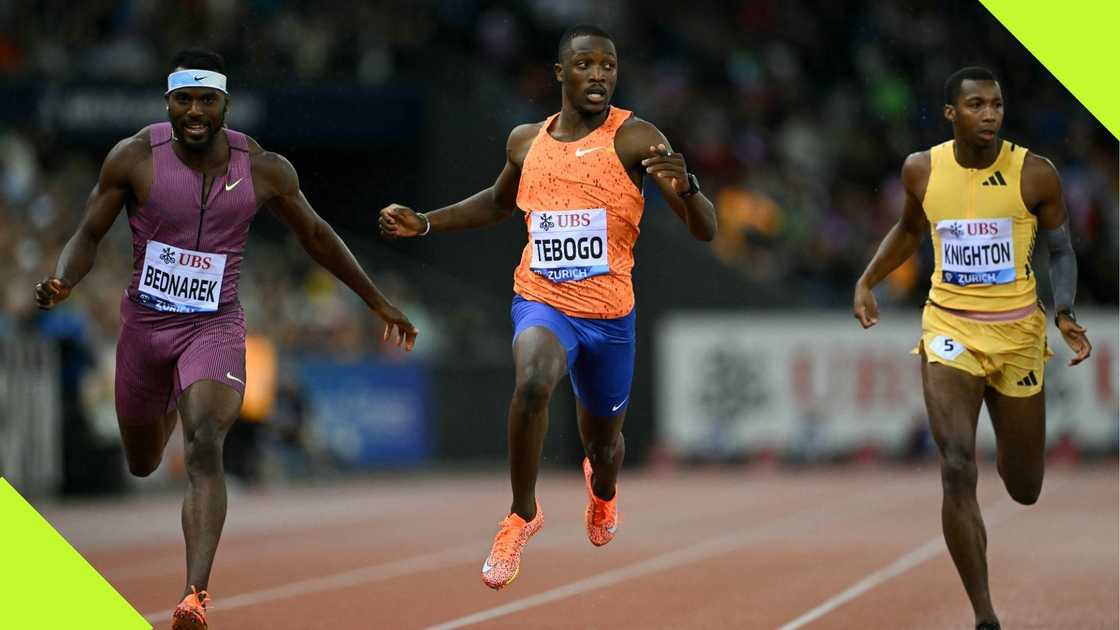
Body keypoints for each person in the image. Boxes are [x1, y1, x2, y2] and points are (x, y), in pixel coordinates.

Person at [35, 48, 417, 629]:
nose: (195, 111)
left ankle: (194, 595)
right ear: (168, 102)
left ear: (226, 105)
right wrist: (65, 278)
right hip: (145, 327)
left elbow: (317, 236)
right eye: (184, 100)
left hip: (214, 326)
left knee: (206, 443)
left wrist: (375, 300)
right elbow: (88, 234)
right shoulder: (133, 157)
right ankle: (168, 397)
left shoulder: (264, 169)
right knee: (142, 461)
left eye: (207, 100)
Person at [380, 24, 716, 591]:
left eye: (608, 66)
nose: (599, 75)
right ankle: (521, 514)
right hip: (543, 300)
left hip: (609, 317)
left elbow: (705, 230)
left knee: (604, 449)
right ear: (561, 73)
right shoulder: (525, 141)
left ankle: (602, 491)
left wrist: (688, 189)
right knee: (533, 381)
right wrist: (427, 223)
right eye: (585, 65)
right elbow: (497, 202)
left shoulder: (635, 138)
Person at [853, 66, 1092, 630]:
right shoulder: (922, 169)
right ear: (951, 113)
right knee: (957, 466)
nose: (989, 115)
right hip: (949, 328)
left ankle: (1011, 446)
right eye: (977, 105)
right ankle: (985, 615)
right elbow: (910, 230)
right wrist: (867, 280)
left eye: (996, 105)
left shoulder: (1035, 173)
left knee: (1025, 487)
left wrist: (1064, 311)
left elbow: (1061, 249)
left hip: (1018, 336)